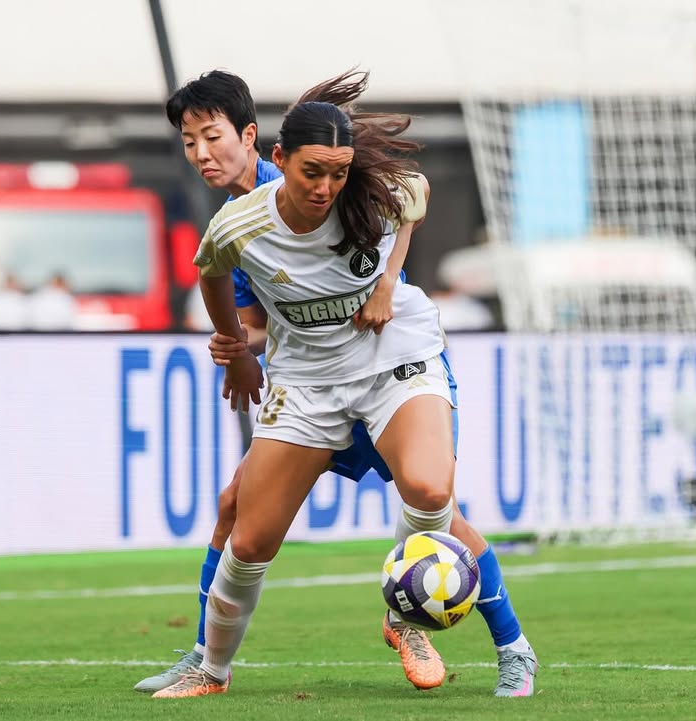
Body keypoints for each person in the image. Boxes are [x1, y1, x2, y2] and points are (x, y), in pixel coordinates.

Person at [149, 70, 536, 700]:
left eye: (211, 136)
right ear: (283, 158)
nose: (201, 153)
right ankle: (207, 663)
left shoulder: (336, 180)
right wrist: (236, 348)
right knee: (242, 522)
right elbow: (236, 295)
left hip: (389, 367)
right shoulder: (237, 225)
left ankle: (473, 636)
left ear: (253, 139)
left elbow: (412, 193)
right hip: (310, 383)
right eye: (190, 142)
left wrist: (384, 285)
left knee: (432, 495)